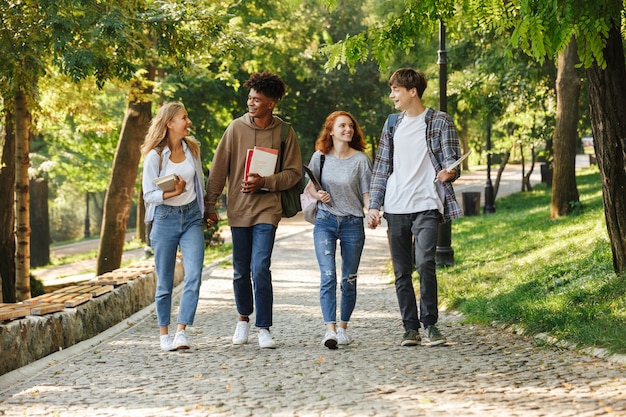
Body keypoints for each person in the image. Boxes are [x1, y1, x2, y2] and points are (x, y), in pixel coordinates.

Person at [206, 72, 302, 349]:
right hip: (239, 209)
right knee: (240, 269)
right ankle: (242, 320)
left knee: (260, 266)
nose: (251, 103)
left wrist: (266, 182)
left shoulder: (285, 132)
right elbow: (218, 171)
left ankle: (264, 327)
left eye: (257, 100)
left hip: (267, 209)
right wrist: (210, 205)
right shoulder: (235, 129)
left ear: (271, 104)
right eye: (249, 98)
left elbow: (295, 173)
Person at [367, 68, 462, 347]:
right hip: (396, 206)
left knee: (425, 262)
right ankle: (410, 328)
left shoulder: (440, 121)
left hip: (427, 204)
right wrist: (375, 205)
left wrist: (450, 173)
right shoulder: (392, 124)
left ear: (412, 91)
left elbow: (452, 160)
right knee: (401, 270)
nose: (392, 94)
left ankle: (430, 324)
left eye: (396, 89)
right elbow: (382, 166)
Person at [141, 102, 206, 352]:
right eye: (184, 118)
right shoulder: (155, 156)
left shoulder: (192, 149)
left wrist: (204, 209)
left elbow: (199, 183)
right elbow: (149, 195)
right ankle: (164, 335)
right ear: (169, 123)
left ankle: (181, 332)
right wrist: (173, 193)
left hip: (190, 216)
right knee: (165, 281)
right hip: (165, 218)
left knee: (194, 276)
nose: (188, 122)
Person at [305, 111, 372, 349]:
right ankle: (330, 330)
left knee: (349, 279)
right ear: (331, 130)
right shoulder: (320, 157)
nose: (348, 129)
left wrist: (372, 210)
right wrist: (318, 194)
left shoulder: (361, 160)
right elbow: (310, 187)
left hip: (353, 223)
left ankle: (343, 327)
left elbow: (366, 193)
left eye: (351, 126)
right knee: (328, 276)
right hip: (325, 221)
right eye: (342, 126)